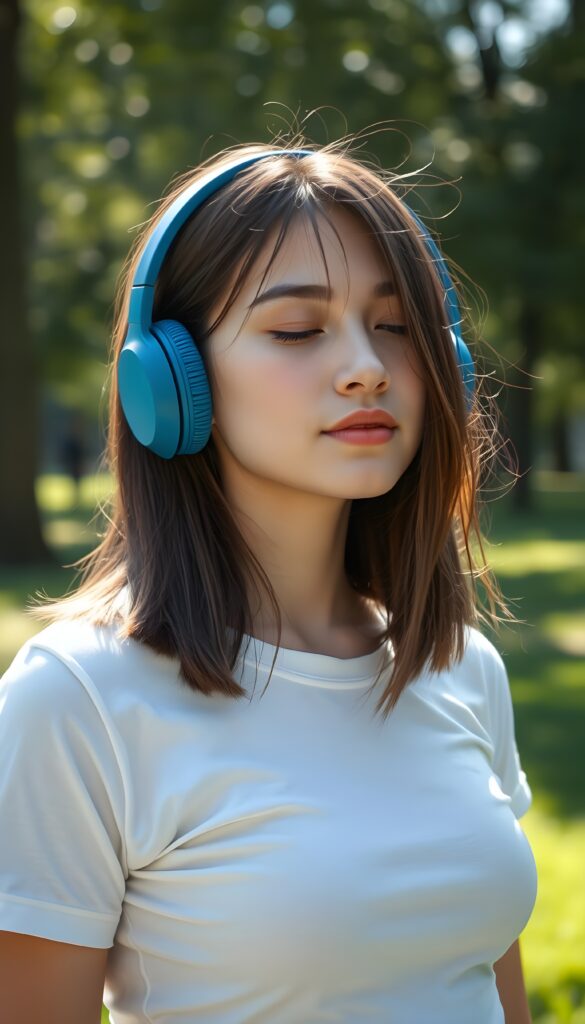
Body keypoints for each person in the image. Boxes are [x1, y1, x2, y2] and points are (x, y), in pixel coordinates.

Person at [0, 137, 537, 1023]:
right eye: (297, 330)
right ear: (169, 381)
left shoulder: (461, 668)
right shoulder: (78, 700)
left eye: (396, 325)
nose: (366, 365)